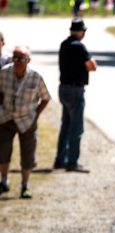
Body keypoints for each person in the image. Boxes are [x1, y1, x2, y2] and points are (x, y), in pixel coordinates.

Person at [0, 46, 51, 199]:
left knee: (27, 155)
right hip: (6, 118)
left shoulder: (36, 76)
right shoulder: (3, 73)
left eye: (21, 58)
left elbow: (46, 98)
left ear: (28, 60)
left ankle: (25, 185)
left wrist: (36, 115)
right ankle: (4, 181)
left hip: (27, 121)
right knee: (3, 151)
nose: (17, 61)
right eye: (14, 58)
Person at [54, 18, 97, 173]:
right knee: (76, 128)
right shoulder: (79, 47)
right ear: (79, 32)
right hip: (75, 90)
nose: (84, 33)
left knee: (66, 125)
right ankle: (72, 162)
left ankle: (60, 159)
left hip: (63, 89)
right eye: (83, 31)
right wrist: (93, 61)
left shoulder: (64, 44)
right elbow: (92, 66)